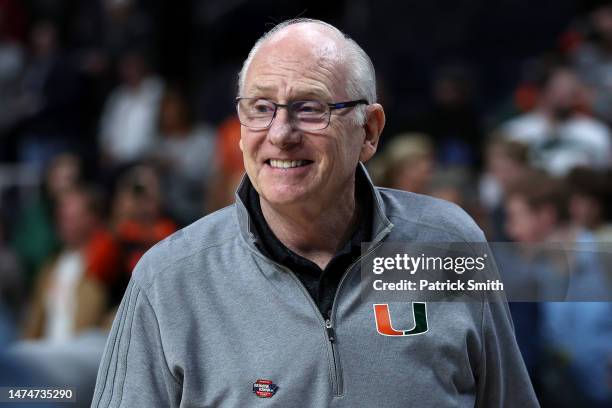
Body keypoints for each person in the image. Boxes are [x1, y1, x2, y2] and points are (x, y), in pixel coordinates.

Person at [92, 19, 538, 407]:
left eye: (310, 108)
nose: (281, 134)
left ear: (369, 131)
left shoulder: (450, 242)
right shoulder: (168, 279)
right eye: (261, 108)